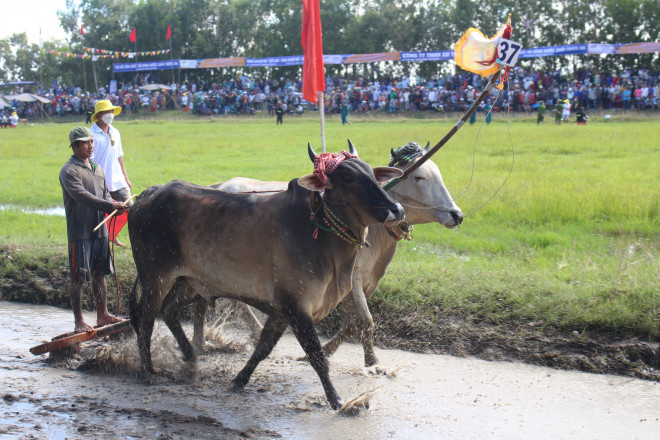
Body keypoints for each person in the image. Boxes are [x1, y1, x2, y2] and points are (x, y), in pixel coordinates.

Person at [60, 126, 127, 333]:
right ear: (75, 146)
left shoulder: (97, 168)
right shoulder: (69, 171)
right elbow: (82, 196)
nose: (91, 146)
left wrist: (116, 205)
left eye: (92, 142)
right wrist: (109, 205)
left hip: (100, 231)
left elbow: (105, 195)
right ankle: (79, 321)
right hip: (80, 232)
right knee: (78, 278)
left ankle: (103, 314)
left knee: (100, 274)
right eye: (86, 143)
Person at [90, 100, 133, 247]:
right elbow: (90, 161)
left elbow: (119, 156)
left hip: (118, 180)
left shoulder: (115, 132)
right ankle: (105, 238)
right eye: (107, 112)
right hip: (101, 181)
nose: (111, 115)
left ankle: (117, 236)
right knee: (103, 212)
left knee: (129, 210)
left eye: (112, 112)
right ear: (100, 114)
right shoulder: (91, 134)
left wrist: (126, 178)